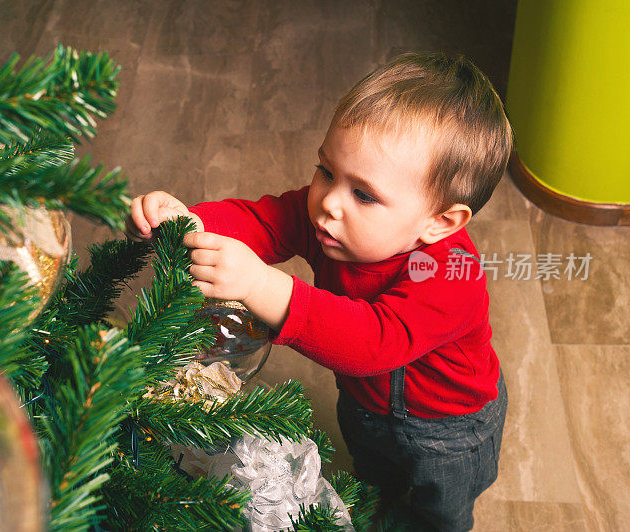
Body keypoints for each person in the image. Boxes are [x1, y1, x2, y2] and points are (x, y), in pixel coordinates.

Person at [125, 51, 512, 531]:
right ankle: (377, 504)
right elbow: (264, 221)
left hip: (448, 428)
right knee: (372, 474)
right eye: (326, 171)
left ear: (440, 222)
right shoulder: (329, 223)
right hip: (363, 403)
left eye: (364, 195)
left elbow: (374, 342)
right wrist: (192, 220)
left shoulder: (452, 273)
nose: (328, 203)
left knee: (441, 509)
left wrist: (263, 284)